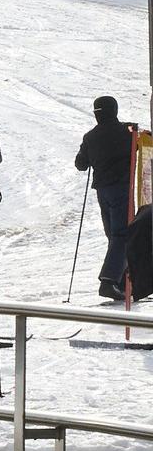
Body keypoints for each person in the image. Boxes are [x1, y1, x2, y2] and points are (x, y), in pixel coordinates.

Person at [77, 96, 136, 301]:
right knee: (122, 235)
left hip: (103, 191)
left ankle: (120, 281)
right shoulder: (127, 133)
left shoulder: (90, 137)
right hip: (122, 188)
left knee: (114, 235)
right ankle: (109, 281)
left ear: (97, 114)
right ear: (115, 111)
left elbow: (80, 164)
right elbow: (143, 144)